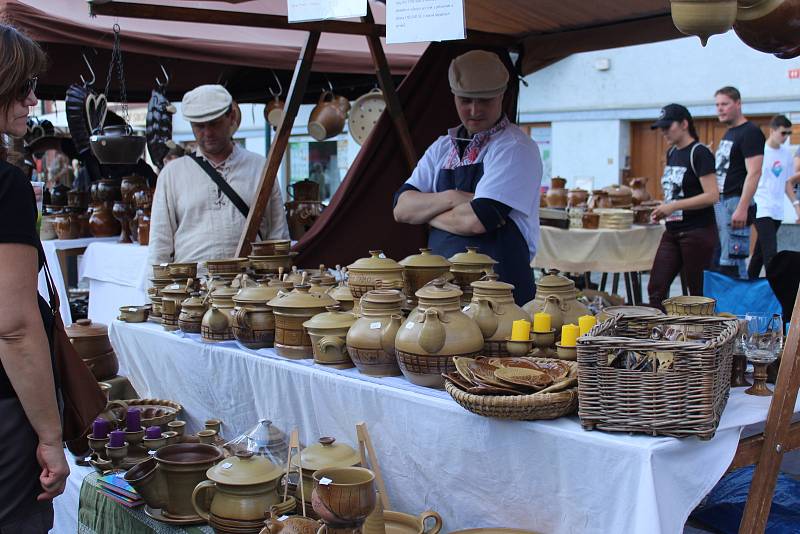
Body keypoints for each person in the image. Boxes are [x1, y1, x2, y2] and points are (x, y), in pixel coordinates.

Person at [393, 51, 542, 305]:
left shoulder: (515, 147)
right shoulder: (442, 147)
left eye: (484, 100)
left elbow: (477, 220)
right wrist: (454, 197)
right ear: (453, 97)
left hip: (499, 292)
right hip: (441, 290)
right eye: (465, 100)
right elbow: (401, 208)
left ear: (501, 96)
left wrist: (427, 213)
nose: (474, 110)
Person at [0, 24, 69, 533]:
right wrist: (50, 435)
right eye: (22, 86)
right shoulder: (6, 185)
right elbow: (14, 327)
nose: (31, 99)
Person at [148, 85, 289, 266]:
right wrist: (153, 292)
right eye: (199, 126)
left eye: (214, 123)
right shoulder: (172, 174)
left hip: (250, 287)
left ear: (231, 118)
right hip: (193, 288)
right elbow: (160, 244)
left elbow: (278, 235)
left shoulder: (260, 168)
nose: (207, 133)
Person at [647, 104, 719, 308]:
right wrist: (663, 206)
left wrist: (674, 206)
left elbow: (713, 195)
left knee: (697, 294)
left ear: (684, 124)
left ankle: (699, 336)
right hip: (672, 231)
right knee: (656, 288)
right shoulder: (671, 153)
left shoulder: (700, 153)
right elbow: (677, 191)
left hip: (697, 232)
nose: (663, 132)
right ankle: (658, 335)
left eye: (667, 127)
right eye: (661, 128)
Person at [713, 86, 765, 279]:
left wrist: (742, 207)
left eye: (725, 104)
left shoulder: (750, 132)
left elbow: (755, 172)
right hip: (720, 201)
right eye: (717, 105)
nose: (720, 109)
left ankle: (739, 308)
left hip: (735, 201)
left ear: (738, 104)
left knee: (733, 263)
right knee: (720, 261)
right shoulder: (729, 133)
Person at [749, 115, 799, 278]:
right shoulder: (760, 151)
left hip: (777, 209)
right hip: (761, 206)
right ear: (772, 130)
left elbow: (786, 183)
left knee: (759, 253)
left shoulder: (785, 155)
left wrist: (796, 206)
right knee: (770, 252)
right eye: (783, 133)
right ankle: (775, 290)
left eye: (788, 134)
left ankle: (749, 284)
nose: (785, 138)